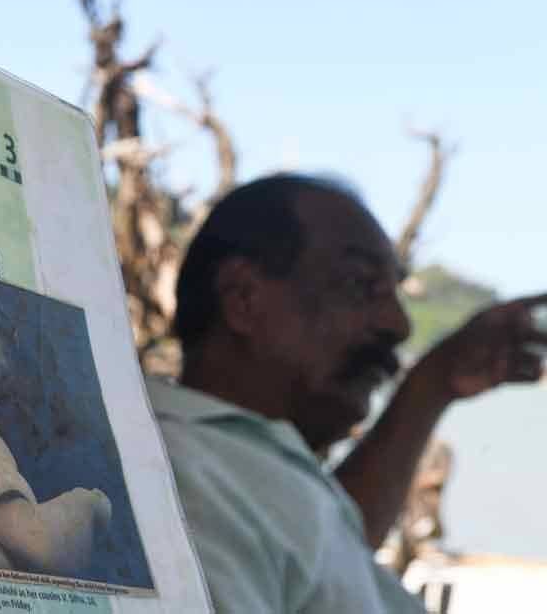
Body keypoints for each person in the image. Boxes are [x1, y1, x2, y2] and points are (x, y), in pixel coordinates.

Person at [149, 174, 546, 613]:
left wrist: (436, 382)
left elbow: (327, 546)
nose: (399, 324)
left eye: (392, 291)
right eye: (361, 284)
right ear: (244, 297)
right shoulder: (176, 479)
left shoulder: (241, 466)